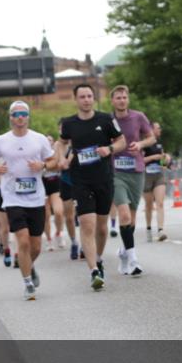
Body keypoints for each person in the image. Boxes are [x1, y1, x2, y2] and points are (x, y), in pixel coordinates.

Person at [56, 83, 127, 291]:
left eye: (89, 96)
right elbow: (61, 143)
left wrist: (110, 148)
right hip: (81, 180)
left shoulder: (105, 119)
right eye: (82, 96)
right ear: (76, 100)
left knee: (102, 228)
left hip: (104, 179)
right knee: (87, 224)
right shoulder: (69, 123)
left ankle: (98, 258)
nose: (86, 100)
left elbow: (122, 141)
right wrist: (61, 158)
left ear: (93, 99)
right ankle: (93, 270)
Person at [0, 101, 56, 300]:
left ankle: (29, 266)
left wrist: (42, 165)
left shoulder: (39, 139)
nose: (20, 117)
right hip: (12, 197)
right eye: (16, 114)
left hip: (36, 198)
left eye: (24, 114)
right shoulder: (1, 141)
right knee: (23, 241)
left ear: (28, 116)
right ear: (10, 117)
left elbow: (54, 162)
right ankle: (27, 283)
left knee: (36, 247)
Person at [108, 85, 155, 276]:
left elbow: (151, 137)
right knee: (124, 215)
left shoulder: (138, 117)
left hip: (136, 170)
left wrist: (141, 144)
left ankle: (124, 252)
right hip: (115, 171)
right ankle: (134, 259)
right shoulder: (107, 120)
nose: (121, 100)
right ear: (112, 101)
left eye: (124, 97)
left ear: (128, 99)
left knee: (132, 219)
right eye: (118, 98)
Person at [142, 122, 172, 242]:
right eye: (158, 128)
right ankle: (149, 228)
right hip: (146, 176)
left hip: (159, 175)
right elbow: (139, 160)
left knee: (160, 203)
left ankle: (160, 230)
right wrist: (153, 158)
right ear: (151, 129)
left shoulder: (159, 143)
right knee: (149, 205)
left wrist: (166, 160)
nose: (160, 130)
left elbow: (163, 163)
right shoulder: (143, 143)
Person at [42, 135, 66, 251]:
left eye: (50, 141)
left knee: (58, 211)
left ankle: (58, 232)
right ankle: (49, 240)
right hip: (42, 185)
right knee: (45, 215)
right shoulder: (38, 153)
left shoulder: (54, 153)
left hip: (55, 184)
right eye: (46, 141)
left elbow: (58, 167)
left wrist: (46, 167)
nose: (48, 142)